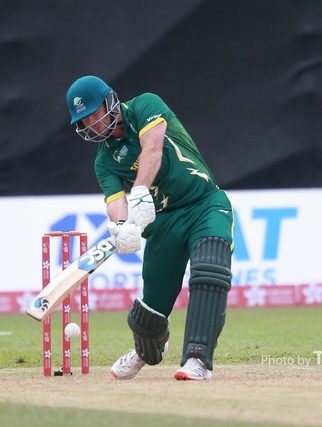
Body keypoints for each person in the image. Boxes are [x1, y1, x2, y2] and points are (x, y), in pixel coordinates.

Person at [65, 75, 234, 381]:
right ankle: (147, 350)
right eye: (84, 120)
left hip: (204, 203)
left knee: (210, 269)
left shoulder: (146, 105)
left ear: (109, 100)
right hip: (164, 220)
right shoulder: (104, 162)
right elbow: (115, 201)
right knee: (151, 307)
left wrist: (140, 189)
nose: (91, 123)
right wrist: (120, 227)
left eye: (93, 112)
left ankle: (197, 359)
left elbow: (152, 149)